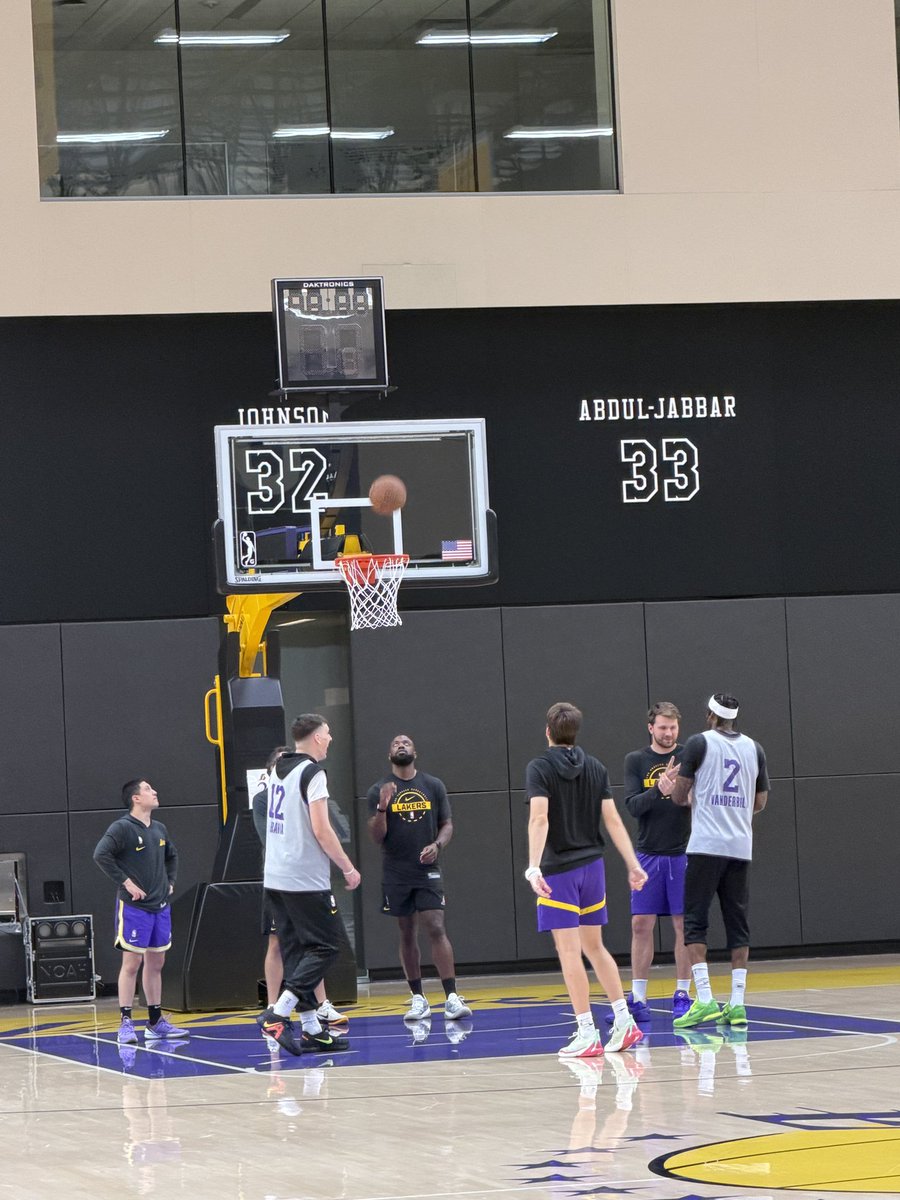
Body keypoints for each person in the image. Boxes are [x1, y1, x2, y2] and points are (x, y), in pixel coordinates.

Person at [525, 702, 648, 1058]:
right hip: (593, 868)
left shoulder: (539, 767)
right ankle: (624, 1021)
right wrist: (632, 863)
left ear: (548, 730)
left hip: (559, 871)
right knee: (595, 947)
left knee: (568, 951)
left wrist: (533, 866)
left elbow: (539, 819)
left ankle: (586, 1030)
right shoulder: (594, 766)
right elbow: (612, 820)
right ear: (575, 731)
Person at [256, 714, 361, 1055]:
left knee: (298, 952)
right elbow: (322, 829)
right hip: (303, 878)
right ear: (316, 737)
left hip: (275, 876)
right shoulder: (313, 772)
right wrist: (347, 867)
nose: (330, 739)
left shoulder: (276, 768)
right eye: (328, 734)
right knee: (326, 946)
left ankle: (312, 1028)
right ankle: (278, 1013)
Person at [670, 694, 769, 1029]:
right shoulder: (755, 748)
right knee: (737, 924)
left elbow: (680, 795)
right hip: (740, 846)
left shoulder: (699, 743)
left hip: (706, 846)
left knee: (695, 921)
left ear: (710, 714)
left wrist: (677, 790)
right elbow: (759, 802)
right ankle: (738, 1004)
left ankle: (706, 999)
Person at [367, 734, 471, 1022]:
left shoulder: (433, 786)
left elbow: (447, 824)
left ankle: (450, 996)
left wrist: (437, 845)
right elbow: (377, 836)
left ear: (416, 752)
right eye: (396, 743)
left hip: (427, 869)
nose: (401, 744)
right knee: (406, 931)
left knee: (436, 926)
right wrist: (382, 808)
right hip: (396, 870)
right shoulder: (379, 789)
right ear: (390, 755)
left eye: (406, 742)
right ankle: (418, 998)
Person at [93, 779, 188, 1045]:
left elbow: (172, 855)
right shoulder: (122, 828)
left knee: (156, 963)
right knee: (131, 963)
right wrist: (126, 882)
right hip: (135, 908)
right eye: (148, 789)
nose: (154, 792)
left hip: (160, 906)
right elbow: (101, 855)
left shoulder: (159, 828)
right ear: (135, 798)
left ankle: (155, 1022)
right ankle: (125, 1023)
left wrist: (170, 881)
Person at [618, 702, 693, 1021]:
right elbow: (633, 806)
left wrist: (687, 795)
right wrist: (660, 790)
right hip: (648, 853)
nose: (668, 733)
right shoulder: (636, 760)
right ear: (650, 728)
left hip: (683, 853)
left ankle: (682, 994)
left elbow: (701, 797)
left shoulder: (691, 755)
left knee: (683, 926)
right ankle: (638, 998)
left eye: (673, 727)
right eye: (662, 727)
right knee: (640, 924)